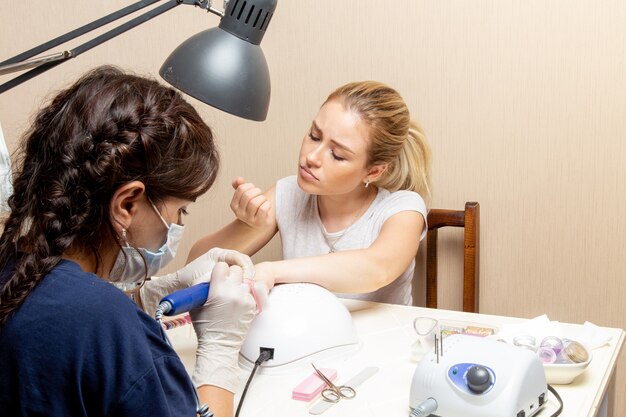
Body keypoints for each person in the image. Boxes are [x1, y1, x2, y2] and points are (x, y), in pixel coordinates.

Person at [0, 66, 259, 417]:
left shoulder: (14, 266)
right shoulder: (112, 330)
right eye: (180, 211)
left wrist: (144, 295)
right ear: (127, 203)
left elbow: (60, 317)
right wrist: (220, 350)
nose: (178, 224)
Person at [190, 81, 432, 305]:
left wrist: (274, 271)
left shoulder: (403, 208)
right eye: (314, 136)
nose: (311, 157)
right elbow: (194, 267)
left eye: (337, 155)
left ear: (373, 171)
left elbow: (378, 268)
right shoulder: (289, 193)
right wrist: (246, 226)